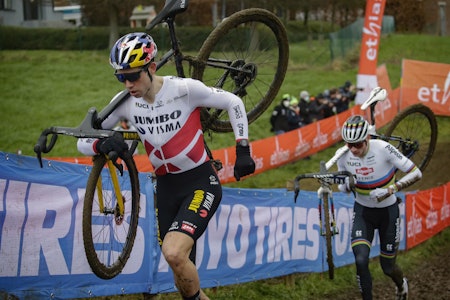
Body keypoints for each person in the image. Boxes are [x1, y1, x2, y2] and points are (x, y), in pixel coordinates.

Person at [77, 32, 255, 300]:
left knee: (172, 252)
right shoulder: (125, 102)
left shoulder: (184, 89)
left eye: (133, 75)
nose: (127, 83)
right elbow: (83, 138)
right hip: (167, 189)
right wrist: (98, 146)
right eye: (120, 77)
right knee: (179, 268)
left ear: (151, 67)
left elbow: (233, 101)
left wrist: (243, 148)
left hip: (200, 182)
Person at [334, 115, 422, 300]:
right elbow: (342, 186)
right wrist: (346, 186)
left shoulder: (383, 148)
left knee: (388, 267)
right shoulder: (343, 155)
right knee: (360, 260)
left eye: (357, 144)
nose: (353, 149)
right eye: (349, 144)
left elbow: (416, 173)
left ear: (367, 138)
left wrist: (391, 189)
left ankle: (401, 285)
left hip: (388, 214)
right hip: (363, 213)